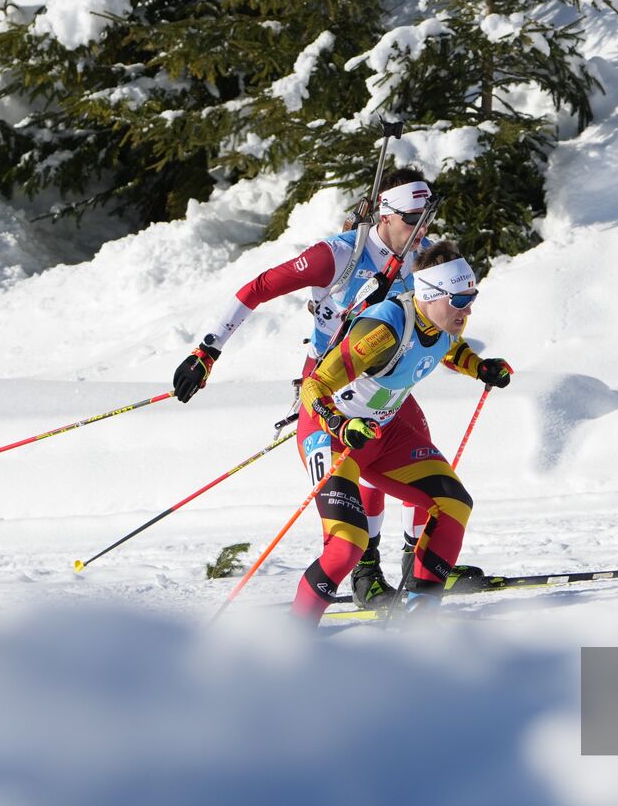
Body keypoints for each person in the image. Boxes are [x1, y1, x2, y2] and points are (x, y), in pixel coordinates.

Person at [172, 168, 442, 606]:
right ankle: (365, 573)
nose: (422, 229)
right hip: (332, 383)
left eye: (427, 216)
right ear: (385, 215)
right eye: (413, 218)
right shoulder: (338, 255)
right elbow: (256, 289)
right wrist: (207, 351)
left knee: (419, 462)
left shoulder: (426, 256)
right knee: (358, 473)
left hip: (386, 382)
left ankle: (419, 565)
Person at [290, 239, 513, 622]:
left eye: (471, 297)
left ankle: (420, 621)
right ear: (430, 295)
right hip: (331, 434)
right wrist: (340, 423)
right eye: (459, 300)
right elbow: (315, 385)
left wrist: (479, 366)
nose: (468, 308)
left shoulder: (441, 319)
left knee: (454, 505)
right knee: (347, 545)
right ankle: (291, 640)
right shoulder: (382, 328)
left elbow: (445, 348)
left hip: (382, 433)